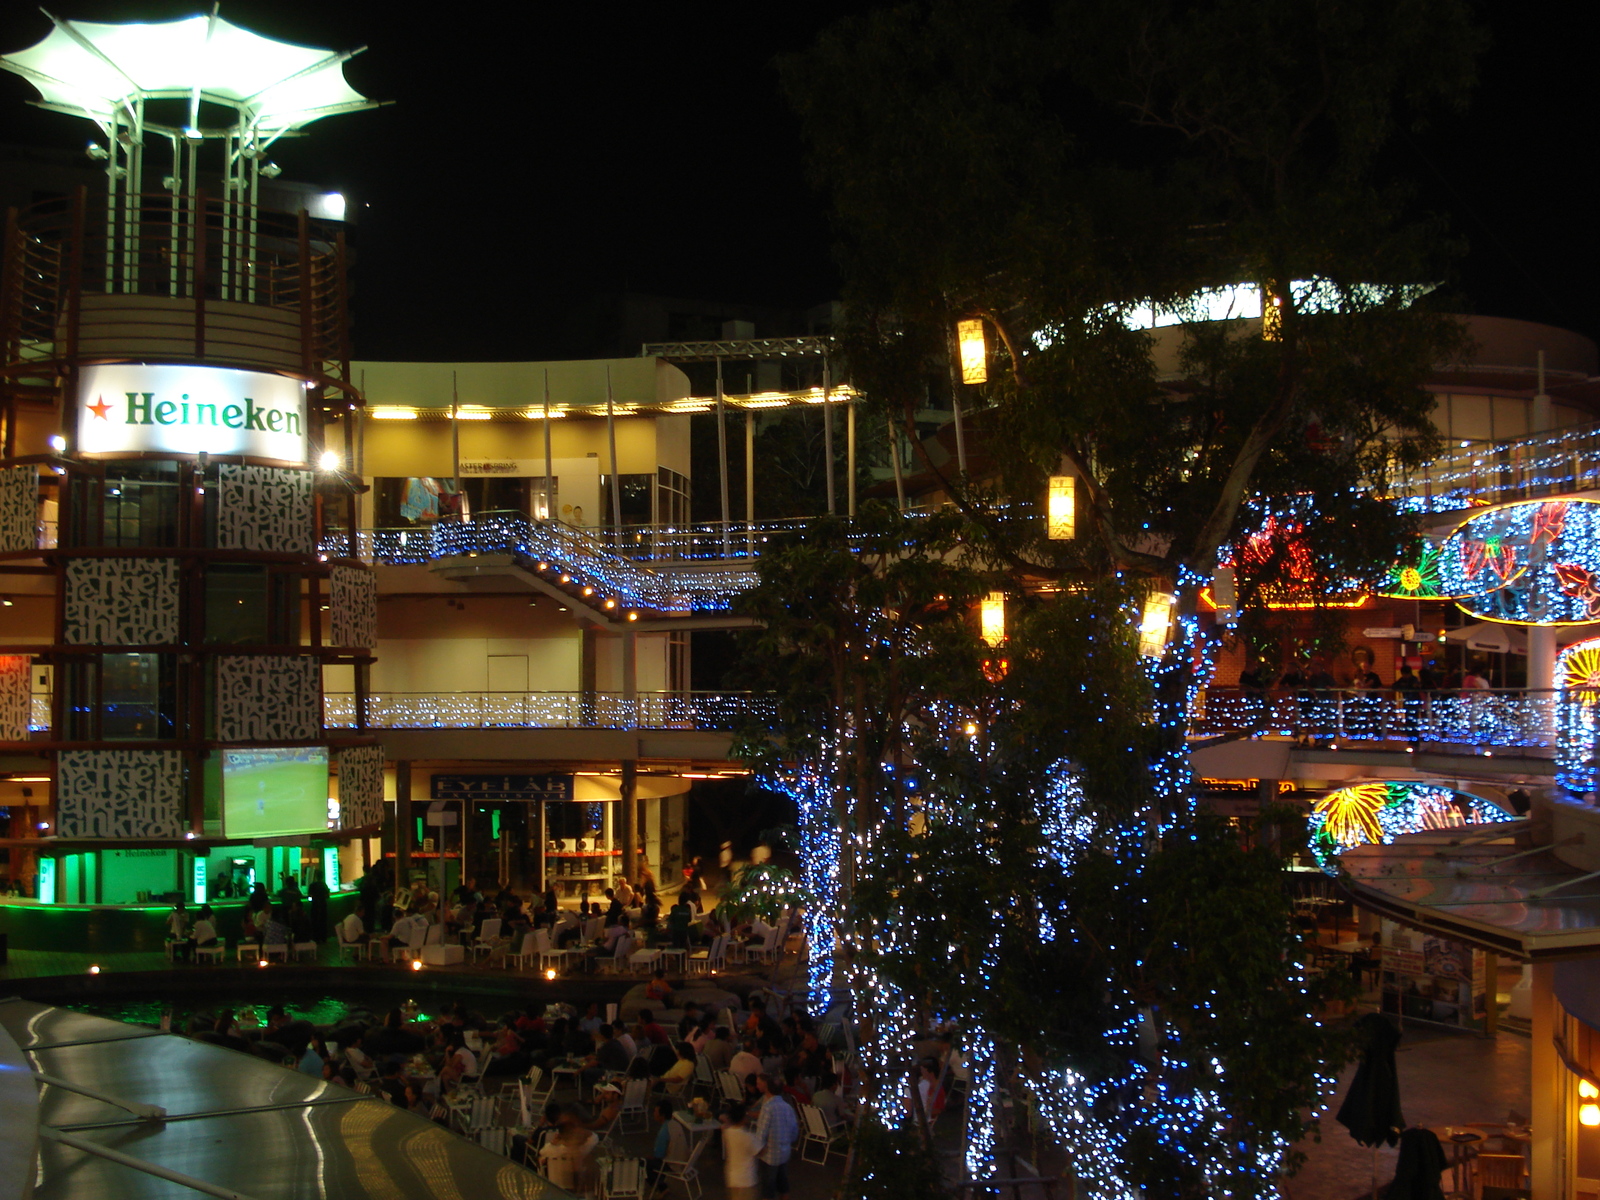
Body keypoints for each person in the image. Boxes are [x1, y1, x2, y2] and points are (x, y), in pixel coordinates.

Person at [753, 1074, 797, 1200]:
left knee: (768, 1189)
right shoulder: (788, 1107)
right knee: (783, 1185)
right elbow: (794, 1131)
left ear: (767, 1088)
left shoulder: (767, 1108)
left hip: (769, 1155)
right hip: (784, 1152)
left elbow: (761, 1133)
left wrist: (757, 1150)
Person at [720, 1102, 761, 1200]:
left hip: (733, 1178)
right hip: (746, 1180)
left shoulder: (728, 1132)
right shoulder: (748, 1137)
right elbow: (760, 1151)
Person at [646, 1098, 689, 1182]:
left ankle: (662, 1187)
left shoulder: (664, 1131)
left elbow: (659, 1155)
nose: (654, 1114)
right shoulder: (676, 1124)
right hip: (683, 1161)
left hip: (672, 1165)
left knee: (644, 1163)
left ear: (662, 1115)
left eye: (655, 1112)